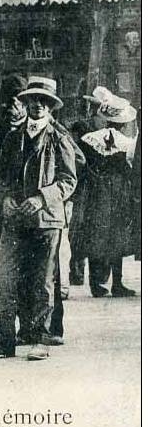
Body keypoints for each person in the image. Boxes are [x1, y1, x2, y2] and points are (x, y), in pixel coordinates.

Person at [0, 77, 77, 362]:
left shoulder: (59, 138)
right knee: (4, 279)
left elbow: (69, 180)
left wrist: (42, 197)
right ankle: (3, 342)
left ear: (51, 107)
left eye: (43, 102)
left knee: (42, 281)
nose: (37, 106)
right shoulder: (13, 137)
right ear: (26, 102)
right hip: (15, 219)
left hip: (46, 221)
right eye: (32, 100)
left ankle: (39, 339)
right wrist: (6, 197)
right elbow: (1, 175)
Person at [70, 87, 137, 297]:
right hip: (118, 192)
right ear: (124, 123)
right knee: (117, 234)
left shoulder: (90, 139)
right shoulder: (127, 143)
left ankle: (95, 284)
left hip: (94, 191)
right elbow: (131, 167)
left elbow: (79, 164)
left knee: (95, 233)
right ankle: (117, 282)